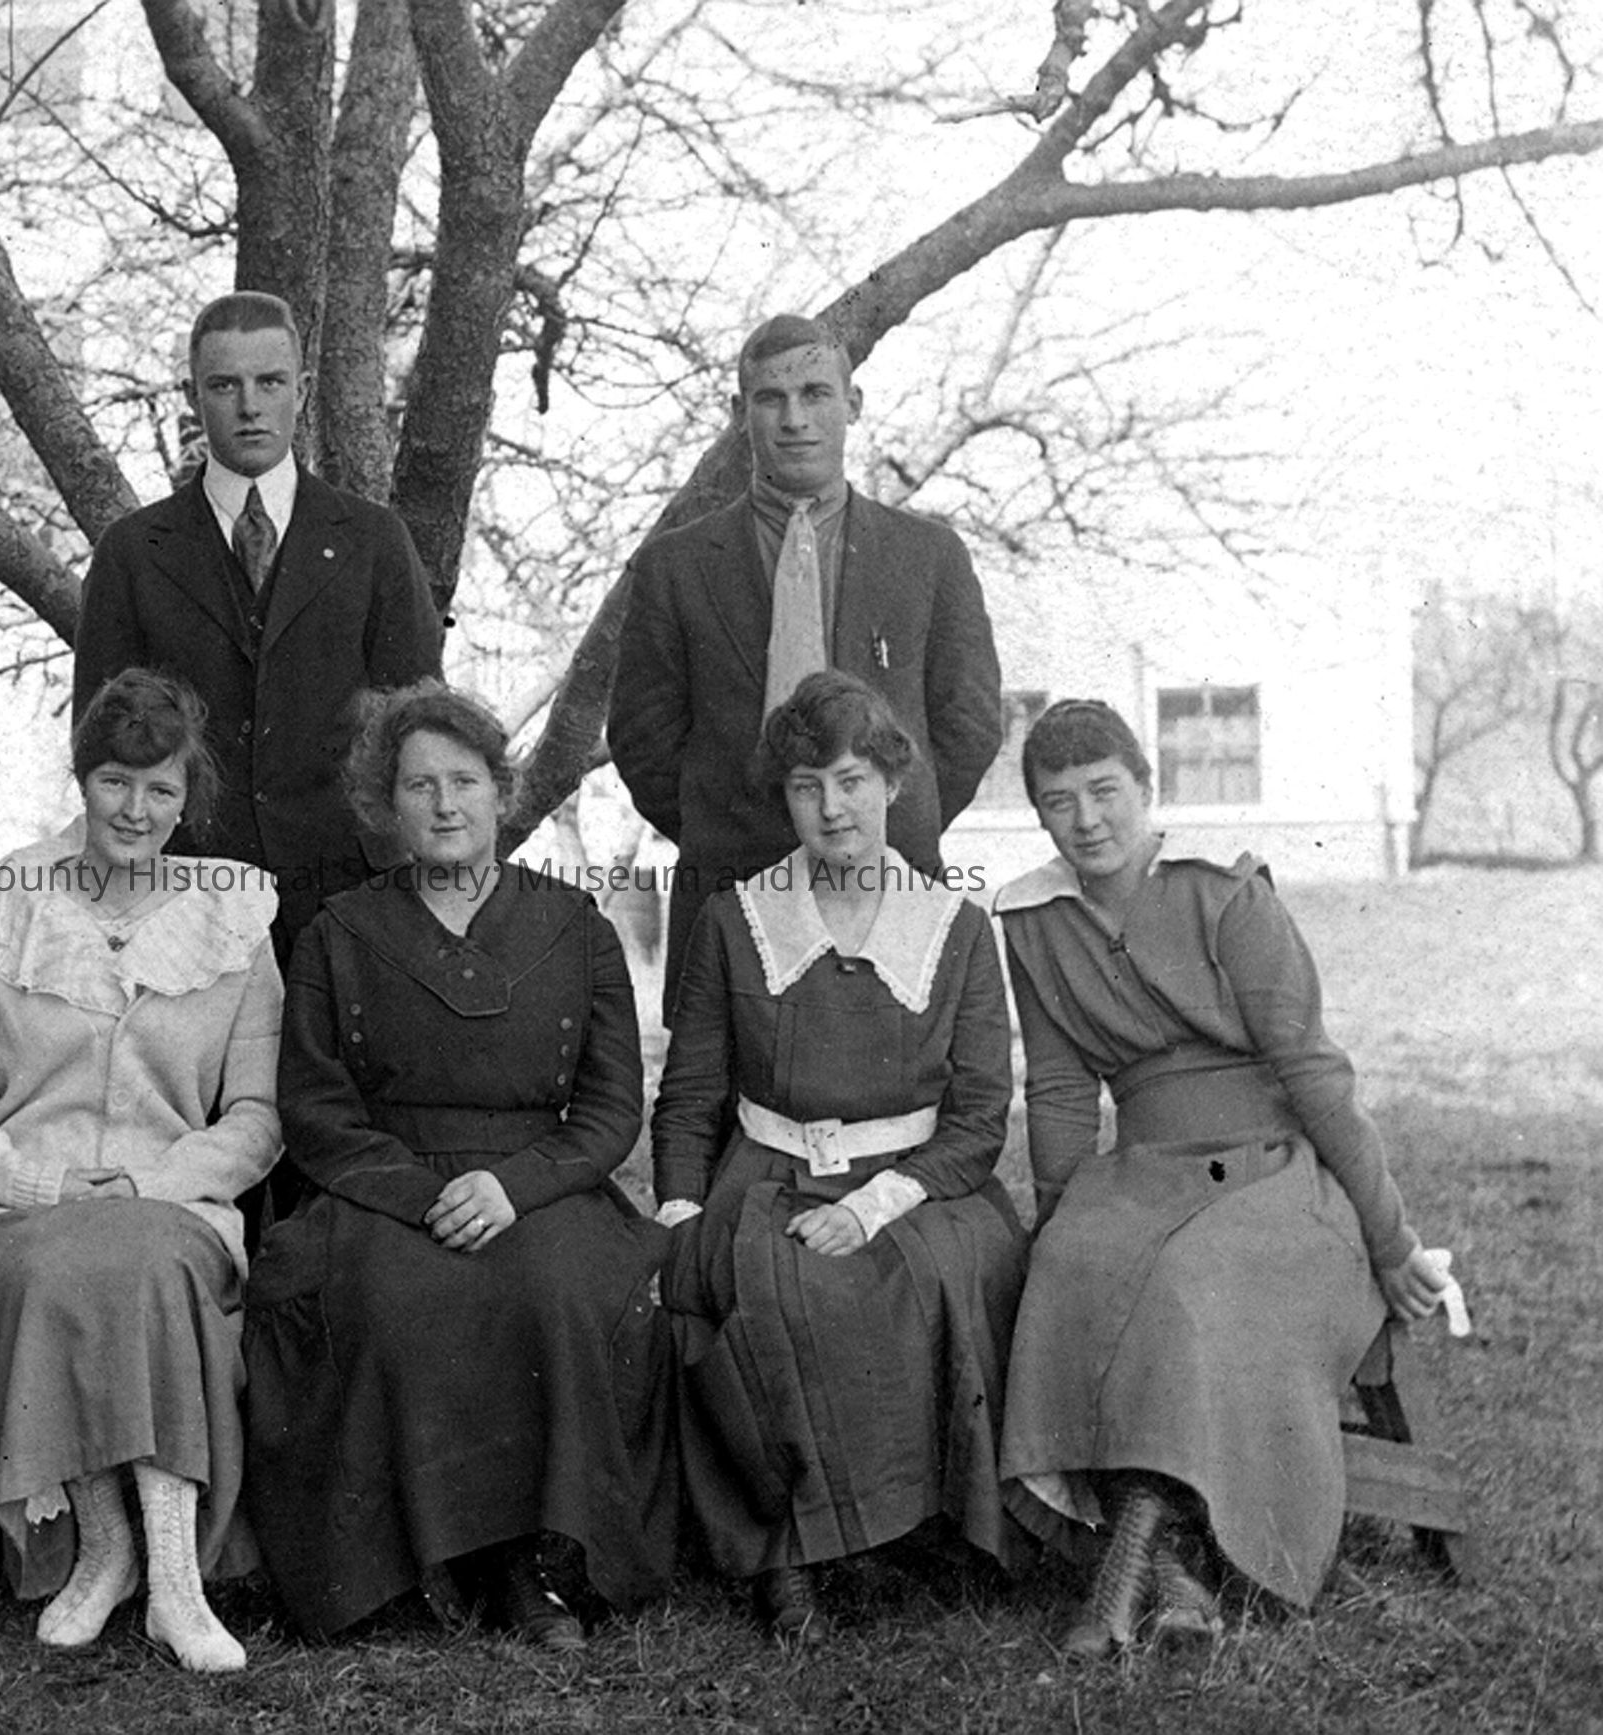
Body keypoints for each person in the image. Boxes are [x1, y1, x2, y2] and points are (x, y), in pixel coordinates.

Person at [994, 699, 1452, 1656]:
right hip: (1145, 1169)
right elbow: (1064, 1089)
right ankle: (1174, 1571)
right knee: (1070, 1262)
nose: (1087, 820)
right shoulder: (1033, 920)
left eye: (1104, 792)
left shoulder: (1225, 894)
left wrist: (1391, 1236)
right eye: (1059, 802)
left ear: (1147, 787)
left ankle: (1128, 1565)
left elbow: (1313, 1071)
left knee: (1191, 1276)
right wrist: (1060, 1218)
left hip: (1276, 1173)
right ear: (1038, 815)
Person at [243, 681, 675, 1649]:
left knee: (554, 1290)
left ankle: (526, 1566)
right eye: (419, 785)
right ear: (385, 806)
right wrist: (422, 1193)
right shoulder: (338, 933)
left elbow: (612, 1106)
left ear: (500, 792)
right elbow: (315, 1109)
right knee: (391, 1297)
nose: (444, 805)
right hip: (388, 1185)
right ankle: (403, 1564)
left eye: (465, 781)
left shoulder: (577, 926)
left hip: (538, 1179)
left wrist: (513, 1187)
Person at [648, 670, 1027, 1640]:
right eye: (807, 785)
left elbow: (980, 1116)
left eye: (853, 780)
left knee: (940, 1272)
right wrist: (680, 1216)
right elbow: (688, 1098)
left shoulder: (954, 927)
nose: (832, 808)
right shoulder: (737, 920)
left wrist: (872, 1205)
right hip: (769, 1170)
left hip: (920, 1180)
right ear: (784, 797)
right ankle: (791, 1549)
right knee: (775, 1285)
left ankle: (922, 1524)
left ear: (892, 783)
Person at [0, 669, 281, 1673]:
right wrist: (39, 1185)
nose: (136, 809)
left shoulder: (234, 914)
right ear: (81, 779)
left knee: (143, 1261)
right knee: (60, 1264)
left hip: (172, 1198)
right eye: (115, 782)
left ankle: (177, 1583)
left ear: (187, 798)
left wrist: (155, 1184)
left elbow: (257, 1115)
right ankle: (104, 1550)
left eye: (160, 788)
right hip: (19, 1202)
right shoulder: (8, 904)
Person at [609, 313, 1002, 1019]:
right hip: (731, 891)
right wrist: (733, 823)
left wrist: (880, 819)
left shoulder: (928, 557)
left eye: (816, 394)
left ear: (853, 404)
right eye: (771, 398)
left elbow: (969, 725)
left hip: (891, 891)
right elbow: (642, 742)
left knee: (900, 1075)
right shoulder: (675, 566)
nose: (795, 420)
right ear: (740, 414)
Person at [73, 291, 445, 962]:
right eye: (225, 385)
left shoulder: (373, 541)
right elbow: (101, 741)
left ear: (302, 390)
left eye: (270, 382)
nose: (250, 406)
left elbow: (418, 729)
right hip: (183, 896)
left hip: (349, 897)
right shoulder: (134, 551)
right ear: (192, 397)